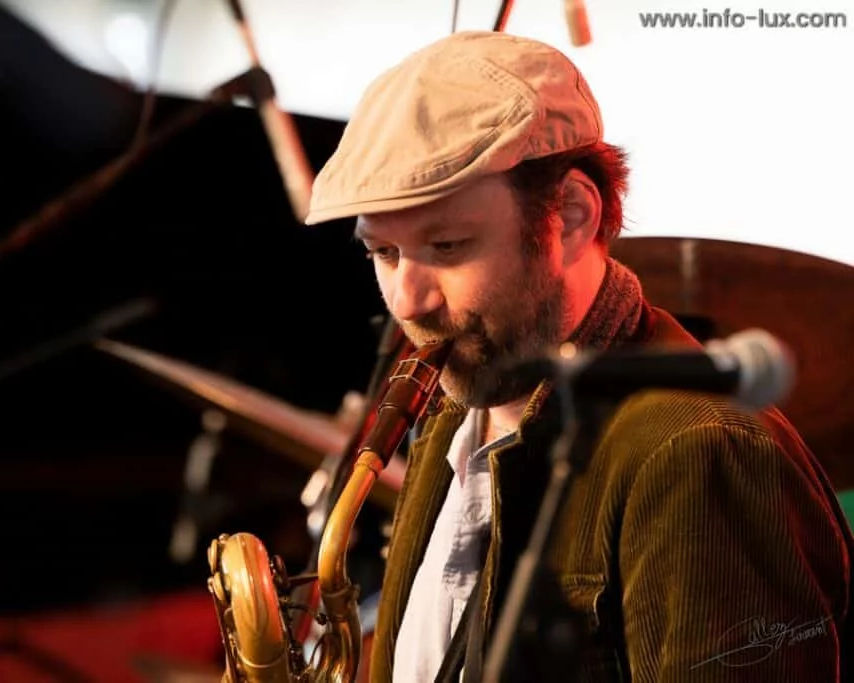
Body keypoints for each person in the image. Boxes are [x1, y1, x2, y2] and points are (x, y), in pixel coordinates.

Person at [303, 31, 854, 682]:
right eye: (383, 252)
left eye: (447, 246)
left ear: (568, 215)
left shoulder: (701, 450)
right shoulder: (456, 413)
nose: (407, 299)